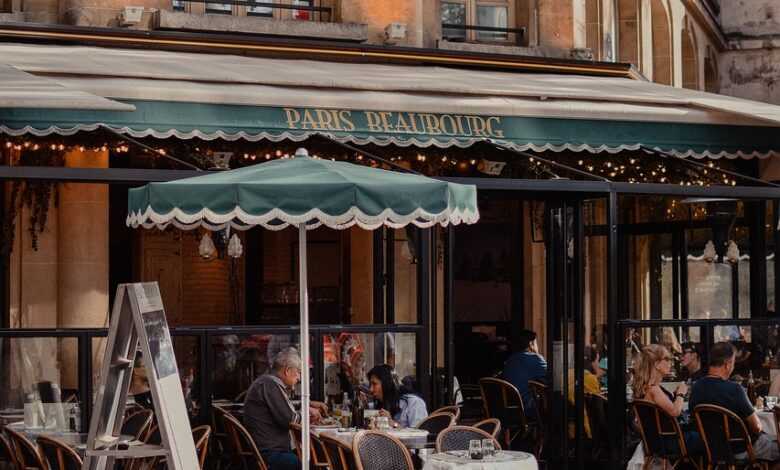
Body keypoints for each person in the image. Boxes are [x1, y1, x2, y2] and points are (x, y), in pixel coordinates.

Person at [689, 342, 779, 463]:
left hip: (711, 450)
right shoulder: (735, 389)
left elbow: (693, 420)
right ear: (727, 364)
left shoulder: (696, 388)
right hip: (742, 450)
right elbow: (757, 427)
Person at [243, 348, 328, 470]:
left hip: (267, 449)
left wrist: (307, 403)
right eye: (298, 372)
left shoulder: (267, 382)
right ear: (287, 371)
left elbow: (285, 406)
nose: (299, 377)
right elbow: (289, 419)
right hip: (271, 454)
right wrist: (308, 413)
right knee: (312, 464)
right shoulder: (270, 385)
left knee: (314, 457)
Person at [633, 344, 703, 456]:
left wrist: (675, 396)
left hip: (657, 441)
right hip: (669, 442)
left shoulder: (646, 387)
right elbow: (675, 412)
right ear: (657, 364)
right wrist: (681, 393)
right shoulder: (653, 389)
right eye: (667, 359)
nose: (670, 363)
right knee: (709, 438)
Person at [502, 329, 547, 418]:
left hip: (510, 408)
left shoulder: (510, 360)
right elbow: (553, 377)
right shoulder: (535, 358)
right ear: (531, 344)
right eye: (536, 343)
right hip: (529, 408)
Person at [566, 345, 603, 438]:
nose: (598, 364)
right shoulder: (590, 379)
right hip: (583, 429)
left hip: (564, 426)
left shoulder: (566, 374)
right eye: (597, 361)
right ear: (592, 362)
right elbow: (598, 410)